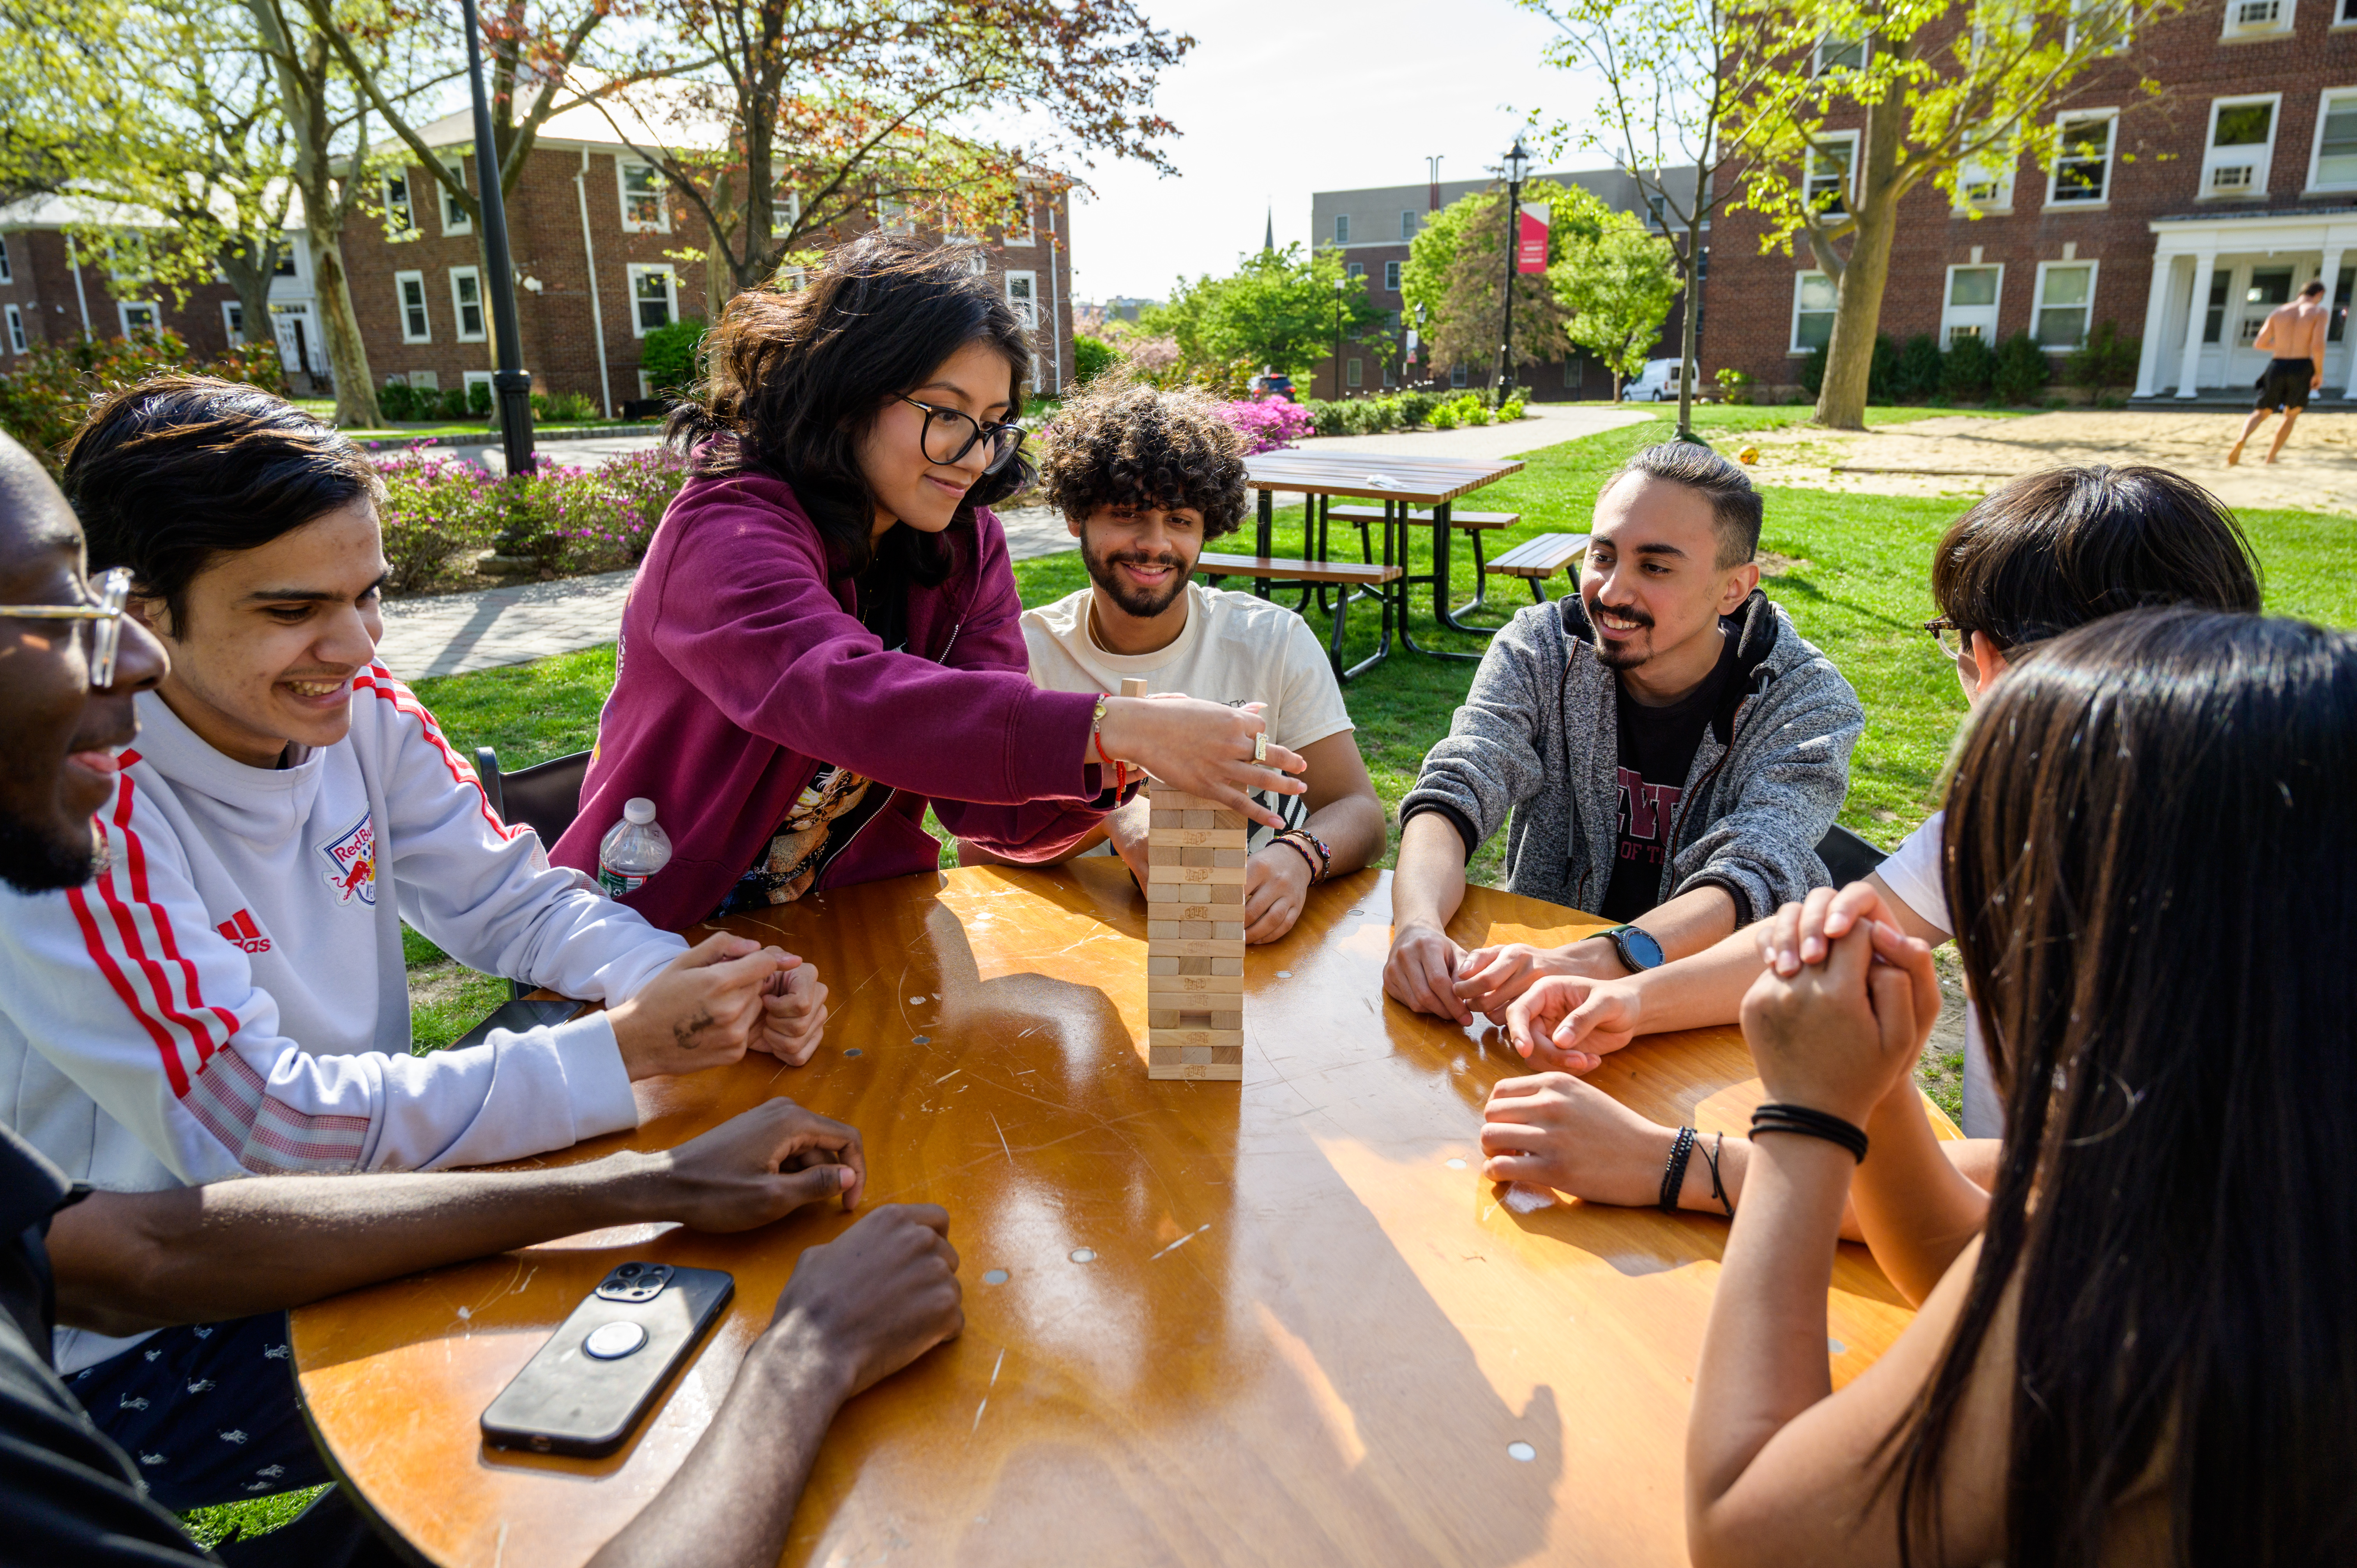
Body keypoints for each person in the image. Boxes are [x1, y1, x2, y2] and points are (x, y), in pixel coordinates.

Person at [0, 438, 963, 1567]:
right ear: (150, 611)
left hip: (332, 1211)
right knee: (612, 1334)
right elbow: (252, 1135)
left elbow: (511, 895)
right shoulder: (82, 790)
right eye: (292, 608)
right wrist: (618, 1057)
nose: (356, 647)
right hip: (134, 1350)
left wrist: (680, 985)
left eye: (370, 598)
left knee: (639, 1296)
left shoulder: (353, 700)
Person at [1685, 609, 2355, 1565]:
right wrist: (1877, 1088)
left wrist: (1807, 1116)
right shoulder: (2268, 1176)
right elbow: (1964, 1260)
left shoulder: (2149, 1275)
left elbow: (1752, 1534)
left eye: (2007, 884)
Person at [1481, 466, 2264, 1218]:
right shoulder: (2015, 821)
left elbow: (2046, 1198)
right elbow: (1833, 940)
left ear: (1986, 663)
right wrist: (1624, 998)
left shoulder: (2155, 898)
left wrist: (1670, 1160)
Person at [551, 235, 1305, 929]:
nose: (972, 456)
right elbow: (836, 694)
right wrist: (1113, 724)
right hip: (654, 930)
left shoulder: (964, 545)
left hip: (855, 925)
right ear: (848, 388)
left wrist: (1120, 763)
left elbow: (988, 809)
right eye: (945, 413)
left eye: (993, 423)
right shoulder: (725, 528)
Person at [1384, 441, 1863, 1022]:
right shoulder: (1539, 647)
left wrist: (1597, 963)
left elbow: (1755, 869)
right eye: (1603, 556)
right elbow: (1462, 780)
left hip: (1702, 1013)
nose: (1611, 593)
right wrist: (1416, 926)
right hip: (1540, 1003)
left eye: (1655, 567)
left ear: (1734, 588)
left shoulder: (1803, 699)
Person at [959, 378, 1385, 942]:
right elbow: (975, 850)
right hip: (1087, 959)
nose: (1155, 544)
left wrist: (1299, 856)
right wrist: (1120, 816)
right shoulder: (1027, 651)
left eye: (1181, 520)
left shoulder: (1272, 638)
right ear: (1075, 517)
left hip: (1246, 956)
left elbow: (1360, 810)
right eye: (1127, 514)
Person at [2228, 277, 2329, 467]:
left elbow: (2259, 344)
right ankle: (2271, 457)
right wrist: (2319, 372)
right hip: (2302, 365)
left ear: (2300, 294)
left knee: (2261, 412)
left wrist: (2282, 346)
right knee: (2291, 415)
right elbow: (2318, 345)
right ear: (2319, 295)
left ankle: (2241, 440)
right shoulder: (2318, 312)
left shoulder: (2279, 311)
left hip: (2277, 365)